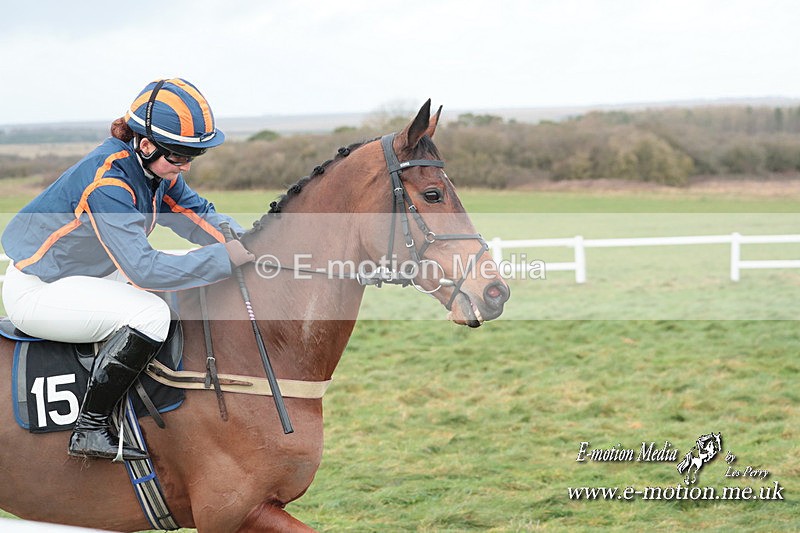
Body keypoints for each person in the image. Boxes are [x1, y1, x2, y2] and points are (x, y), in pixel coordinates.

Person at [1, 78, 255, 461]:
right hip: (39, 289)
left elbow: (197, 216)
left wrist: (254, 239)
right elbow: (143, 269)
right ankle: (90, 427)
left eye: (192, 158)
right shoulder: (110, 183)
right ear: (146, 144)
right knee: (151, 313)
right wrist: (225, 259)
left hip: (86, 276)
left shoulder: (155, 168)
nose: (183, 167)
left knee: (174, 299)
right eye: (178, 156)